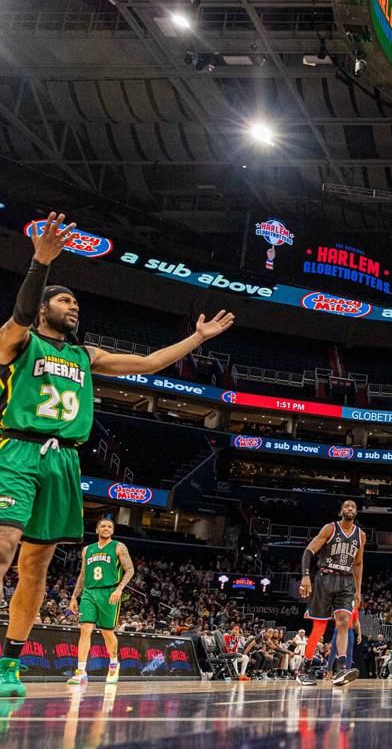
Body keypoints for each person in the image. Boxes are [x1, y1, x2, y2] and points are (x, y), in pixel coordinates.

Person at [0, 212, 236, 698]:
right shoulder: (18, 342)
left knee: (36, 567)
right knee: (3, 546)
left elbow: (149, 364)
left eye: (76, 302)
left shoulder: (86, 356)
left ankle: (8, 665)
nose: (74, 307)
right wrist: (40, 265)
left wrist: (198, 338)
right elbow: (19, 315)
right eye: (65, 299)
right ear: (45, 308)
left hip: (65, 462)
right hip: (18, 449)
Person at [296, 500, 364, 687]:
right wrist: (305, 576)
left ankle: (342, 668)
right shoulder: (330, 528)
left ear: (356, 513)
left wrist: (358, 590)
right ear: (341, 511)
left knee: (343, 621)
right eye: (347, 506)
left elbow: (358, 564)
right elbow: (309, 552)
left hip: (346, 581)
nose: (350, 509)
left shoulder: (361, 535)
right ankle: (305, 668)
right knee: (319, 628)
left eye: (353, 507)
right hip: (325, 578)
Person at [66, 517, 134, 685]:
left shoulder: (118, 546)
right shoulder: (87, 549)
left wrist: (119, 589)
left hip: (109, 591)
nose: (106, 528)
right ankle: (81, 671)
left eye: (109, 526)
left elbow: (130, 570)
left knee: (107, 632)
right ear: (97, 530)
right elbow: (83, 574)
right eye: (102, 526)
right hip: (89, 592)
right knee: (85, 629)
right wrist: (74, 596)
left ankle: (113, 664)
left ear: (113, 530)